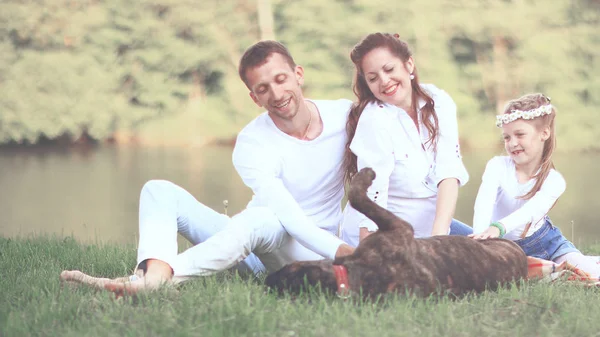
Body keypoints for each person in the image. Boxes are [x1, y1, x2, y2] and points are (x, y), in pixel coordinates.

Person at [60, 40, 355, 294]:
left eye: (281, 80)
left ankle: (154, 282)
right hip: (254, 242)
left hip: (309, 254)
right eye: (263, 88)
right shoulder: (252, 142)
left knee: (259, 220)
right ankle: (154, 276)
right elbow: (287, 215)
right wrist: (345, 253)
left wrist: (347, 250)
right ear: (254, 98)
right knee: (158, 190)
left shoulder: (344, 117)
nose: (276, 95)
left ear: (298, 74)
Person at [339, 32, 471, 247]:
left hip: (433, 230)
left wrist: (438, 240)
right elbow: (372, 195)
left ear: (408, 64)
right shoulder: (374, 119)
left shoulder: (438, 101)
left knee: (496, 251)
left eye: (389, 69)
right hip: (385, 234)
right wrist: (369, 257)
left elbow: (449, 172)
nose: (384, 81)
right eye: (373, 78)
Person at [470, 93, 600, 278]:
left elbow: (530, 211)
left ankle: (561, 265)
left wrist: (498, 227)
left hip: (544, 243)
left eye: (520, 134)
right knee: (449, 228)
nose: (512, 143)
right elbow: (483, 203)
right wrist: (479, 243)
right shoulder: (496, 166)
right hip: (496, 243)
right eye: (506, 137)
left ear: (544, 133)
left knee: (591, 274)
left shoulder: (554, 181)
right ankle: (541, 270)